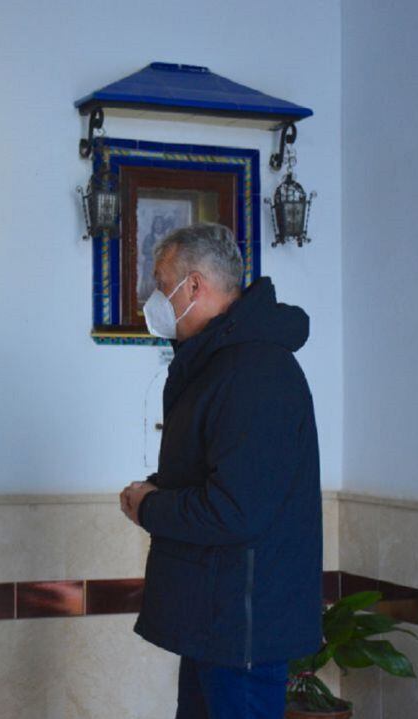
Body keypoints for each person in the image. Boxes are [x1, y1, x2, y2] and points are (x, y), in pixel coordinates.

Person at [119, 223, 322, 719]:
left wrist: (151, 506)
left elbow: (236, 509)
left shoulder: (254, 371)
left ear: (194, 286)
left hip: (240, 631)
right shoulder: (217, 363)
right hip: (215, 622)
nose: (154, 296)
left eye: (161, 283)